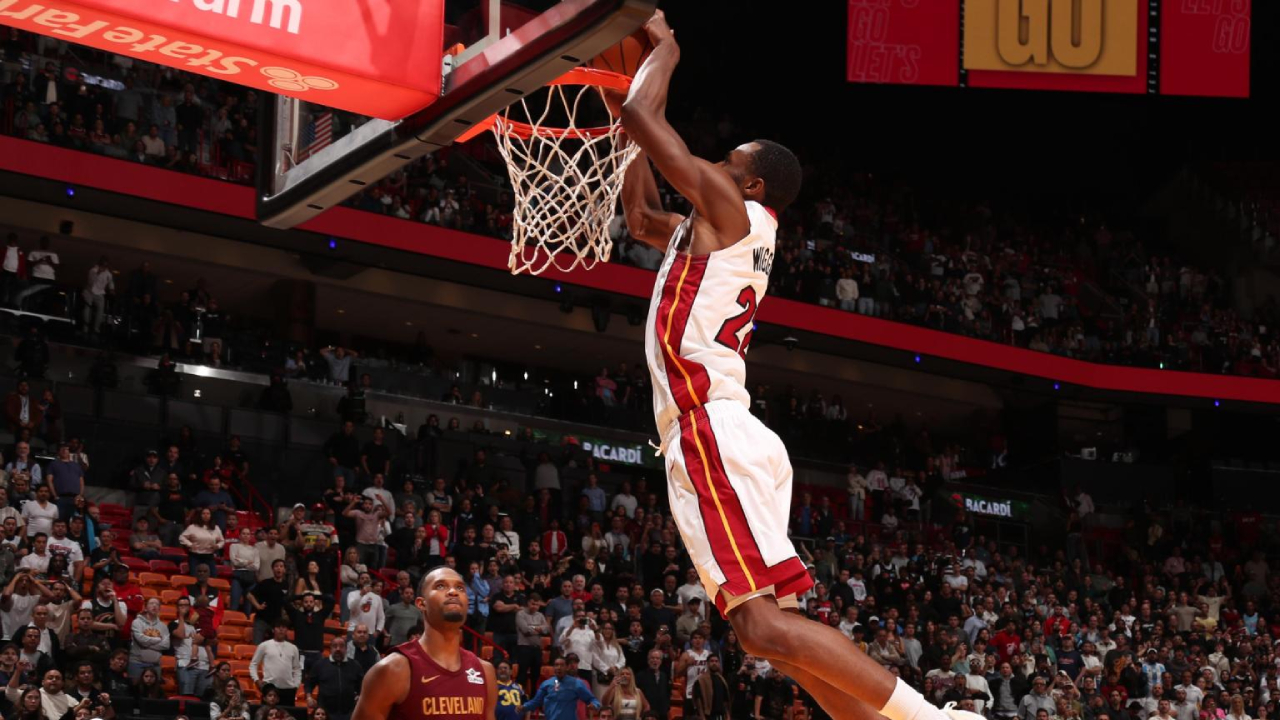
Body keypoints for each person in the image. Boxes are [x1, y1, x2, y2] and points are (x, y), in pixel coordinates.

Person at [613, 12, 974, 720]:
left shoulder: (733, 210)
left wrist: (666, 52)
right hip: (729, 429)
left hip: (710, 426)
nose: (715, 165)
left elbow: (640, 114)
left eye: (728, 162)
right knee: (768, 640)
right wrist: (621, 117)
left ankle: (933, 719)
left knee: (766, 630)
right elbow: (639, 217)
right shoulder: (719, 225)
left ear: (749, 186)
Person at [349, 566, 496, 719]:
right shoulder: (393, 670)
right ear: (421, 604)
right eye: (440, 586)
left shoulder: (485, 672)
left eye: (460, 587)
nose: (453, 592)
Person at [520, 656, 600, 720]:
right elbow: (536, 702)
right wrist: (524, 706)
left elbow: (592, 699)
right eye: (556, 665)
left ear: (566, 667)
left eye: (562, 665)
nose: (559, 667)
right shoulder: (546, 684)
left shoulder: (576, 684)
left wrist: (594, 705)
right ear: (553, 667)